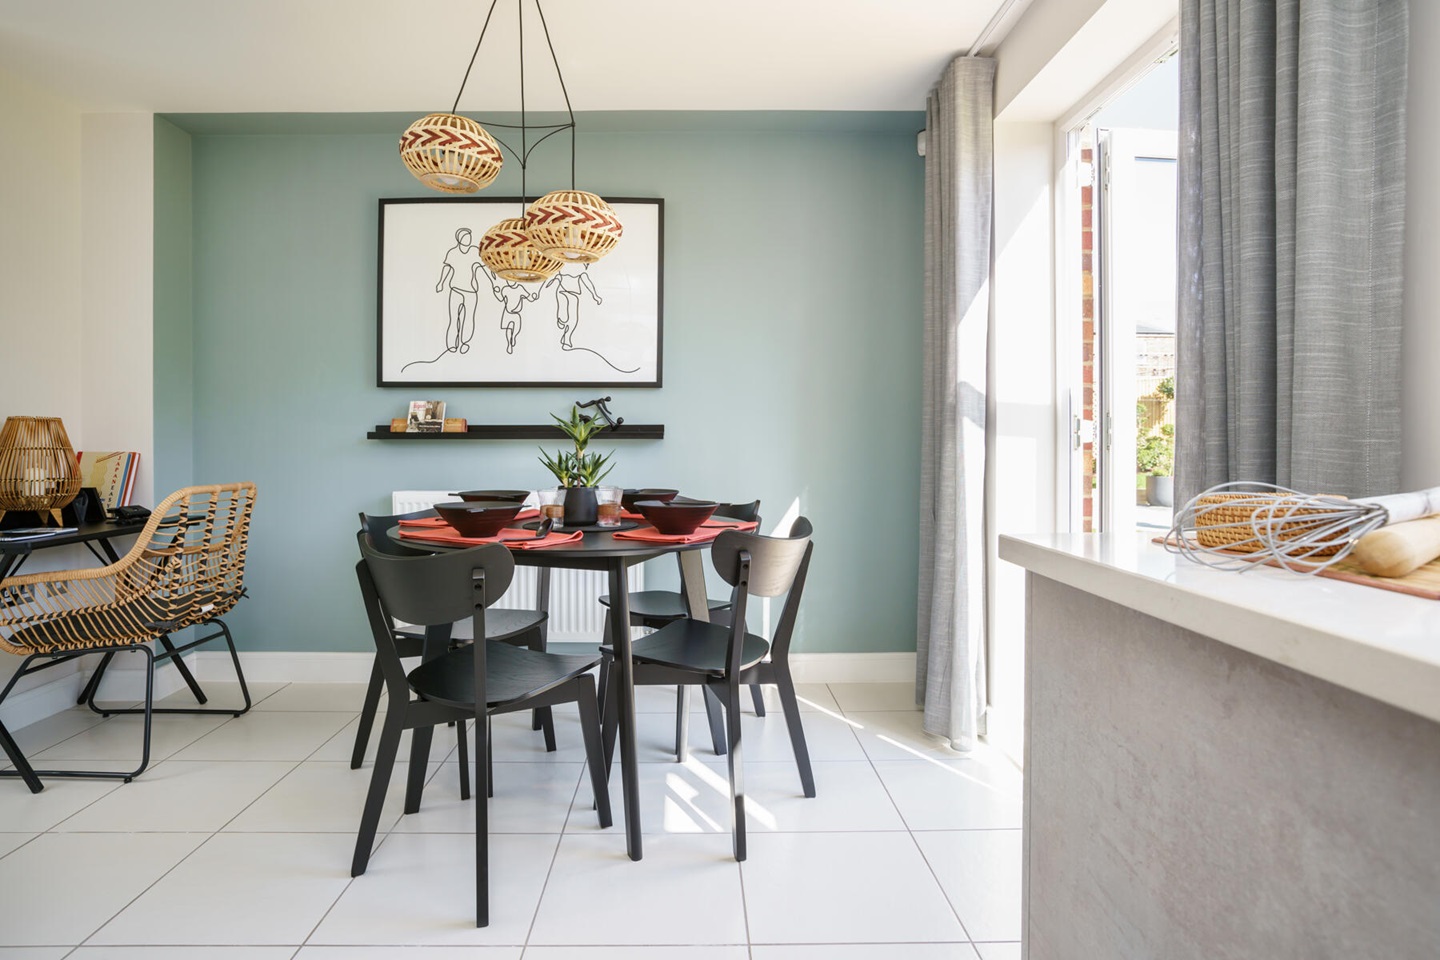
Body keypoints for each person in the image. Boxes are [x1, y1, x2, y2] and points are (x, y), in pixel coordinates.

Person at [434, 228, 485, 354]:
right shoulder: (453, 253)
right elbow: (447, 268)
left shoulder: (475, 251)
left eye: (469, 236)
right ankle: (452, 344)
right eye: (465, 237)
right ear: (459, 239)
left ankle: (464, 342)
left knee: (468, 318)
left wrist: (494, 279)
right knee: (453, 318)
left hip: (471, 292)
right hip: (456, 289)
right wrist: (441, 283)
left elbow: (484, 266)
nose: (468, 239)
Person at [539, 262, 603, 350]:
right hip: (562, 291)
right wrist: (541, 289)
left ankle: (567, 339)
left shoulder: (581, 269)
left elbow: (586, 281)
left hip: (574, 294)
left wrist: (595, 296)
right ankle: (561, 320)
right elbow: (550, 276)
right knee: (564, 316)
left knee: (573, 318)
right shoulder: (560, 266)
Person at [488, 271, 540, 355]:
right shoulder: (505, 289)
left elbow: (529, 297)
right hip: (507, 312)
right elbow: (501, 299)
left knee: (515, 329)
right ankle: (509, 342)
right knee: (508, 329)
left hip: (516, 314)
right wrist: (496, 292)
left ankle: (513, 337)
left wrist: (533, 296)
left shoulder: (520, 288)